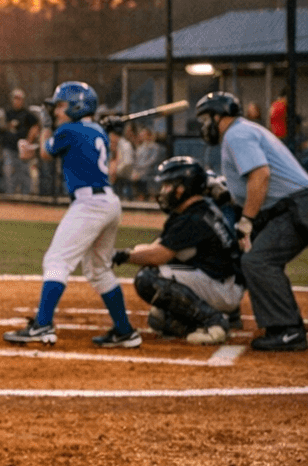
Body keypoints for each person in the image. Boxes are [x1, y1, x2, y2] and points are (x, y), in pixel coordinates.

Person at [5, 82, 137, 348]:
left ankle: (42, 325)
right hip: (108, 203)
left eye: (61, 106)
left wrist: (44, 127)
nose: (55, 112)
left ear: (78, 107)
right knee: (99, 270)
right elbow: (68, 151)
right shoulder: (96, 130)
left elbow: (46, 152)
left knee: (56, 259)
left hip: (89, 205)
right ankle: (125, 331)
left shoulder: (68, 129)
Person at [196, 91, 308, 351]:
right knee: (261, 260)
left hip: (296, 206)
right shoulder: (243, 131)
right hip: (290, 207)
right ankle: (286, 325)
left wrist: (246, 221)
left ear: (218, 116)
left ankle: (288, 331)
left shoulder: (237, 134)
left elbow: (260, 176)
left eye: (206, 119)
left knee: (259, 261)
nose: (204, 126)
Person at [111, 156, 243, 345]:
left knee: (148, 278)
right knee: (161, 319)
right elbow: (159, 248)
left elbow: (158, 255)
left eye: (168, 185)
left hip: (223, 288)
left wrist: (122, 256)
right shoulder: (201, 208)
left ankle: (214, 322)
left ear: (185, 187)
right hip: (225, 282)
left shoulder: (192, 218)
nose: (164, 191)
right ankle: (228, 317)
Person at [2, 89, 36, 194]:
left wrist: (29, 141)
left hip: (22, 149)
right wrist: (8, 126)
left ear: (23, 100)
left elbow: (35, 126)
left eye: (19, 99)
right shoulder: (7, 113)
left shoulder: (27, 114)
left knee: (24, 172)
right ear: (12, 100)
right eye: (15, 98)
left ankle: (26, 196)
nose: (17, 101)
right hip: (9, 147)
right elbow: (1, 126)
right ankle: (10, 195)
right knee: (9, 172)